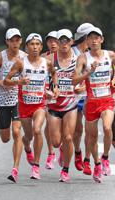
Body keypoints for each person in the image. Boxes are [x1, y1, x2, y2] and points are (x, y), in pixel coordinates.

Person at [4, 33, 58, 179]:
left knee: (37, 130)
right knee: (28, 136)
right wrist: (18, 82)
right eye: (32, 44)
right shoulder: (21, 63)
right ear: (27, 47)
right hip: (24, 105)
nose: (35, 47)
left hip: (39, 105)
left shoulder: (46, 62)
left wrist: (54, 88)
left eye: (37, 44)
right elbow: (6, 80)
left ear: (41, 47)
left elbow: (54, 74)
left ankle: (36, 166)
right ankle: (27, 147)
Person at [73, 26, 115, 183]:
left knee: (107, 127)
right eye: (91, 38)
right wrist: (89, 73)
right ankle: (97, 164)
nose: (94, 40)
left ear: (102, 39)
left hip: (107, 100)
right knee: (91, 137)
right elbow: (74, 81)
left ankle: (105, 158)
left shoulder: (110, 55)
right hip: (91, 102)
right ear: (87, 41)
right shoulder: (83, 58)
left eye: (97, 37)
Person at [0, 28, 25, 183]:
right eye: (12, 40)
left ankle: (15, 169)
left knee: (17, 132)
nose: (15, 43)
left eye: (17, 40)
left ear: (20, 41)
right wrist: (0, 82)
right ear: (7, 41)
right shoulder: (0, 57)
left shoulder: (24, 57)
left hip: (18, 99)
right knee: (5, 137)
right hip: (2, 100)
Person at [47, 29, 78, 182]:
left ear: (72, 41)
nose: (64, 43)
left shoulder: (79, 59)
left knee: (68, 137)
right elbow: (40, 80)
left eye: (67, 40)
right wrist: (47, 91)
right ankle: (60, 150)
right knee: (56, 141)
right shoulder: (48, 59)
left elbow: (87, 80)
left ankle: (65, 170)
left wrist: (82, 87)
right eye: (61, 41)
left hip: (71, 104)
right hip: (53, 105)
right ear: (57, 43)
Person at [72, 23, 94, 175]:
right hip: (72, 95)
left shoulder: (93, 54)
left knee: (89, 129)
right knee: (78, 130)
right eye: (90, 38)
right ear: (85, 38)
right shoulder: (71, 53)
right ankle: (77, 151)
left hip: (88, 96)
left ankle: (87, 161)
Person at [42, 31, 59, 169]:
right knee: (48, 123)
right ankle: (50, 153)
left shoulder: (71, 56)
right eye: (50, 41)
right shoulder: (43, 58)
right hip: (48, 96)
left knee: (64, 128)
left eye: (56, 41)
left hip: (65, 95)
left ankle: (62, 150)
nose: (53, 44)